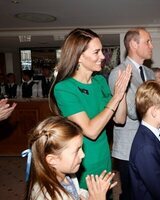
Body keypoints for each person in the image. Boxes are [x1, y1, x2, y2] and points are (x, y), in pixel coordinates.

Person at [49, 28, 132, 189]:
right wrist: (115, 98)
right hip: (81, 162)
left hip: (104, 157)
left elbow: (120, 119)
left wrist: (121, 93)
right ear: (79, 57)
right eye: (97, 52)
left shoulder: (100, 81)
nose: (102, 56)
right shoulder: (64, 88)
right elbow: (91, 131)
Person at [108, 27, 160, 199]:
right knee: (132, 194)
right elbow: (134, 111)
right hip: (129, 148)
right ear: (134, 44)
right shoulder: (118, 72)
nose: (152, 46)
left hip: (151, 142)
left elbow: (157, 104)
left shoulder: (148, 72)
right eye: (147, 41)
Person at [22, 116, 117, 200]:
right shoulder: (52, 196)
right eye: (77, 151)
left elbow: (76, 192)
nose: (83, 154)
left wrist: (95, 192)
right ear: (52, 160)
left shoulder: (67, 176)